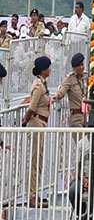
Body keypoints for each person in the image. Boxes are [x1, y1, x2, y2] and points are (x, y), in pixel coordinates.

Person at [24, 56, 51, 206]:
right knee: (35, 162)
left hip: (41, 123)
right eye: (48, 67)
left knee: (39, 162)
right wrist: (25, 120)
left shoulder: (43, 85)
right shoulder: (38, 86)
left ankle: (35, 193)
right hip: (36, 122)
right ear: (43, 69)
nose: (50, 70)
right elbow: (32, 107)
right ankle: (32, 197)